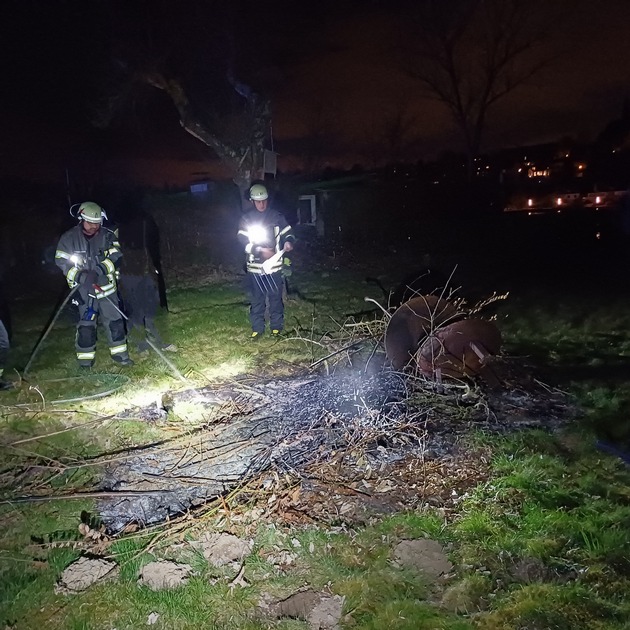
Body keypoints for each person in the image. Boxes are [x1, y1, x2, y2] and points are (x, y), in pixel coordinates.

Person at [55, 201, 133, 368]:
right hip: (83, 291)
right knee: (86, 326)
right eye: (90, 222)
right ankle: (85, 361)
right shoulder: (68, 239)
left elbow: (116, 257)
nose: (94, 226)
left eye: (97, 223)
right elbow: (61, 262)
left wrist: (98, 270)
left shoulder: (108, 235)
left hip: (106, 289)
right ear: (81, 219)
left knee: (115, 323)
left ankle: (120, 356)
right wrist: (81, 277)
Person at [237, 183, 295, 338]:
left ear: (267, 200)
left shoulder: (276, 216)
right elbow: (242, 240)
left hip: (274, 268)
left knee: (275, 298)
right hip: (255, 269)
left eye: (264, 201)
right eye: (258, 201)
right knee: (257, 300)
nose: (261, 204)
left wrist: (289, 241)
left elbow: (288, 232)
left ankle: (276, 328)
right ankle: (257, 329)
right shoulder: (246, 219)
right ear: (252, 201)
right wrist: (260, 250)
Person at [117, 211, 176, 353]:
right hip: (129, 275)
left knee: (151, 309)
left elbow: (151, 251)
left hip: (146, 274)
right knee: (135, 311)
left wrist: (153, 270)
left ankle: (159, 341)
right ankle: (141, 344)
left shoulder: (147, 228)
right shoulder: (118, 232)